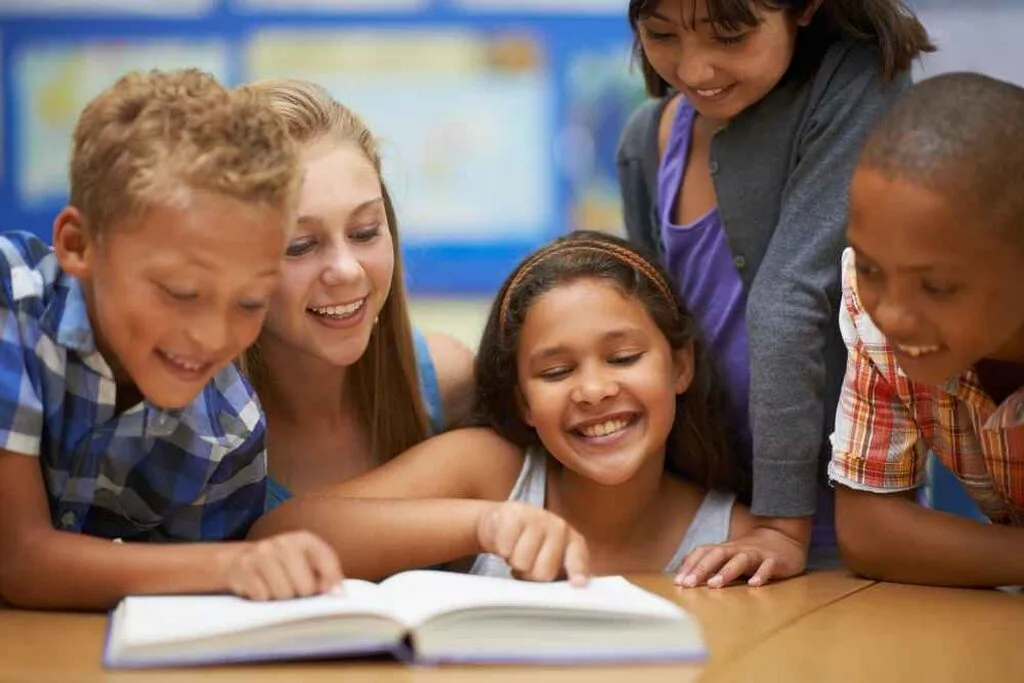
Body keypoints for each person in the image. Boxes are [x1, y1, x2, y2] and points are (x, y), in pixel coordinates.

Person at [617, 0, 934, 586]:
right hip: (704, 516)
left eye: (730, 37)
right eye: (662, 35)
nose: (695, 71)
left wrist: (781, 525)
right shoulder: (648, 138)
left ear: (806, 7)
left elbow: (788, 296)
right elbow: (651, 326)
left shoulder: (858, 81)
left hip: (831, 510)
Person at [0, 69, 340, 610]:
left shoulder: (229, 430)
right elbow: (16, 558)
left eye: (249, 303)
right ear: (78, 243)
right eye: (180, 292)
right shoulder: (10, 306)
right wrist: (230, 566)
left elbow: (176, 614)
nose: (211, 337)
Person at [253, 231, 762, 582]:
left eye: (623, 358)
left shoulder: (730, 539)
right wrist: (485, 524)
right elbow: (281, 536)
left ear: (680, 366)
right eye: (556, 372)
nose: (593, 390)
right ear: (522, 400)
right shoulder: (489, 470)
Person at [237, 80, 475, 507]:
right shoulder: (185, 425)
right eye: (300, 245)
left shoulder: (450, 384)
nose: (346, 270)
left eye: (364, 232)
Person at [829, 72, 1024, 588]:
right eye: (871, 267)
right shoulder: (872, 308)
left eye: (936, 286)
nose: (891, 314)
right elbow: (870, 531)